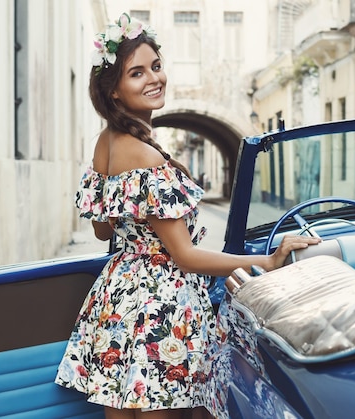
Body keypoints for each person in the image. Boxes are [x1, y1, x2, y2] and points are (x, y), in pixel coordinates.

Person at [55, 13, 321, 419]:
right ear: (114, 91)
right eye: (136, 73)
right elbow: (186, 256)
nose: (153, 79)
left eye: (156, 67)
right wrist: (265, 261)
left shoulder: (105, 143)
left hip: (116, 303)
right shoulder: (145, 155)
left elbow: (101, 228)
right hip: (162, 309)